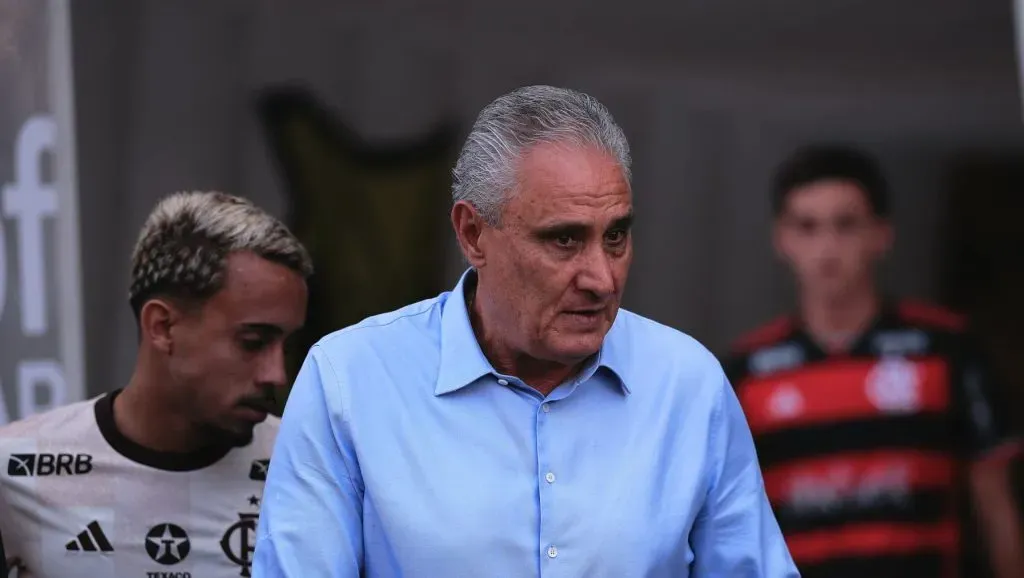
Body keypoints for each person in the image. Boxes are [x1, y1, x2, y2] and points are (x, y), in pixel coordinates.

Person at [252, 85, 798, 577]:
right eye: (564, 240)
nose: (601, 278)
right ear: (473, 234)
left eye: (616, 237)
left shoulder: (687, 384)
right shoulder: (350, 380)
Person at [723, 145, 1024, 578]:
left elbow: (996, 505)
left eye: (845, 225)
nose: (827, 247)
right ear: (781, 240)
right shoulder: (746, 372)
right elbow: (728, 521)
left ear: (882, 235)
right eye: (807, 227)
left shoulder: (947, 350)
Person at [0, 191, 311, 577]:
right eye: (253, 342)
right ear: (162, 326)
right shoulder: (15, 469)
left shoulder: (309, 469)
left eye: (288, 345)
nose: (277, 374)